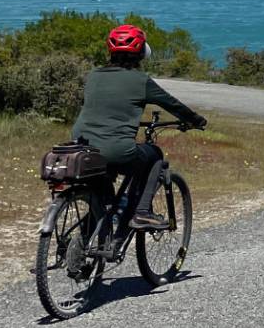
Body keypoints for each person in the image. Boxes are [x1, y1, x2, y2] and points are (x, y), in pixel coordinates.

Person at [70, 24, 206, 230]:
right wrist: (196, 120)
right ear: (141, 53)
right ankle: (142, 212)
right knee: (155, 156)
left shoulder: (94, 76)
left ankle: (94, 232)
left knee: (103, 185)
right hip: (116, 149)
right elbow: (172, 104)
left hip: (81, 146)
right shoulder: (140, 80)